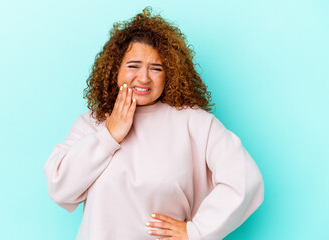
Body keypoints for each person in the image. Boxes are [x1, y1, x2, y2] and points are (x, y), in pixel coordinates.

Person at [44, 7, 264, 240]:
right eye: (133, 66)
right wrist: (109, 136)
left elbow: (245, 180)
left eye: (156, 68)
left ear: (170, 74)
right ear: (114, 69)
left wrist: (196, 231)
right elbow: (60, 188)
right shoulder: (91, 123)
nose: (144, 78)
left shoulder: (195, 122)